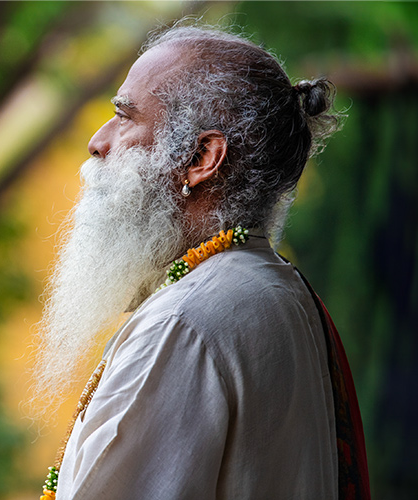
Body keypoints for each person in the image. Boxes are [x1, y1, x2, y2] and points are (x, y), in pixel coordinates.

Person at [33, 25, 370, 499]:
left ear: (202, 157)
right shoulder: (277, 290)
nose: (98, 141)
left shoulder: (183, 323)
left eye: (124, 117)